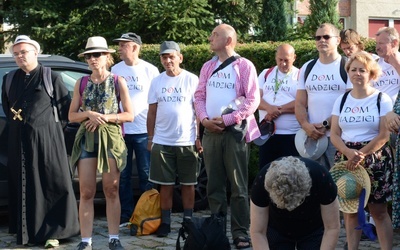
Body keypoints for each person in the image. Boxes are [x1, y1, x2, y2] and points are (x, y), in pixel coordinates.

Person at [1, 35, 79, 247]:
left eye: (23, 52)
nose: (19, 57)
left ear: (35, 52)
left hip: (47, 142)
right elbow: (8, 108)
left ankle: (54, 232)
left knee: (51, 183)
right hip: (19, 142)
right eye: (16, 54)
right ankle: (26, 232)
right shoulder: (9, 79)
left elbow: (65, 111)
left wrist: (44, 131)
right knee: (25, 184)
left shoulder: (50, 77)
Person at [194, 23, 260, 249]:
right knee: (214, 184)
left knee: (238, 185)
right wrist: (204, 120)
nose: (210, 38)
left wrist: (229, 120)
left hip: (234, 133)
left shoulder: (244, 66)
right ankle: (217, 230)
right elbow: (199, 96)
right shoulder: (207, 67)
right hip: (210, 132)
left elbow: (252, 100)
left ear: (229, 40)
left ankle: (241, 233)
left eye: (215, 35)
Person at [69, 36, 133, 250]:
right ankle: (85, 241)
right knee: (86, 191)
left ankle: (113, 237)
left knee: (111, 190)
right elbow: (71, 116)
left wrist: (106, 117)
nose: (92, 59)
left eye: (97, 55)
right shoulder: (82, 82)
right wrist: (88, 113)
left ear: (107, 56)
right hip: (87, 139)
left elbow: (129, 115)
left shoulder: (117, 81)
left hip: (111, 139)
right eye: (89, 56)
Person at [330, 51, 393, 250]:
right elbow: (334, 134)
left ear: (371, 74)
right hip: (346, 159)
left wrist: (362, 154)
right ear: (348, 72)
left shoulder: (382, 99)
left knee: (379, 212)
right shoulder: (341, 100)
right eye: (353, 69)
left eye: (362, 70)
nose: (357, 74)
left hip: (375, 158)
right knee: (349, 211)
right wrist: (349, 153)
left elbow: (384, 135)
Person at [147, 41, 200, 237]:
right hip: (162, 140)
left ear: (180, 58)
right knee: (165, 185)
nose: (168, 60)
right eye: (164, 57)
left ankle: (188, 221)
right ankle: (166, 222)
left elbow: (199, 111)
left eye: (171, 56)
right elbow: (152, 112)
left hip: (187, 140)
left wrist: (198, 137)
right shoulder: (157, 81)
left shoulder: (191, 79)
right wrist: (150, 138)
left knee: (189, 184)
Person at [111, 32, 160, 225]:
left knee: (146, 174)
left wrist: (154, 132)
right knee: (122, 176)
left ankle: (146, 215)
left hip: (143, 131)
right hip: (121, 131)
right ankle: (126, 215)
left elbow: (157, 101)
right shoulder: (115, 69)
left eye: (123, 45)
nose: (119, 49)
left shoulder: (150, 70)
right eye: (119, 45)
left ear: (135, 47)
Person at [250, 156, 339, 249]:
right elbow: (258, 231)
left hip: (313, 226)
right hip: (277, 227)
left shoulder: (321, 177)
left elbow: (331, 228)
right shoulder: (262, 181)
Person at [295, 23, 352, 169]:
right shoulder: (307, 67)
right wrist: (306, 125)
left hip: (339, 138)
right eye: (318, 37)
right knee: (313, 185)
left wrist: (326, 124)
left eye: (326, 37)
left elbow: (350, 102)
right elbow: (300, 103)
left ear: (338, 40)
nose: (321, 40)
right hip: (312, 137)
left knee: (337, 184)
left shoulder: (348, 66)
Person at [257, 44, 300, 168]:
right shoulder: (266, 73)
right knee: (266, 173)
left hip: (291, 135)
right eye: (280, 60)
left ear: (294, 58)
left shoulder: (300, 75)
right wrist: (269, 108)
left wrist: (278, 110)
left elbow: (302, 103)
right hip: (267, 134)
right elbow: (255, 99)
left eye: (287, 60)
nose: (283, 64)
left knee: (291, 175)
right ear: (276, 57)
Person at [373, 27, 400, 103]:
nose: (377, 48)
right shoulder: (374, 64)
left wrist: (396, 64)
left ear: (394, 43)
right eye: (376, 43)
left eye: (381, 43)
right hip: (377, 111)